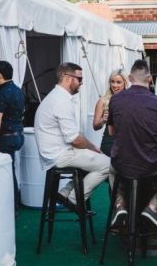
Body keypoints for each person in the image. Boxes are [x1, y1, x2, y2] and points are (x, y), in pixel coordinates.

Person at [108, 60, 157, 229]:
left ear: (129, 78)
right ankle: (152, 207)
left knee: (112, 170)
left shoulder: (115, 100)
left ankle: (120, 205)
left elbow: (112, 133)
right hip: (149, 164)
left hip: (121, 162)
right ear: (150, 79)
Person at [34, 62, 110, 209]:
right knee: (109, 164)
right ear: (68, 78)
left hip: (54, 153)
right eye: (79, 79)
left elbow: (73, 137)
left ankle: (64, 193)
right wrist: (93, 147)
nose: (81, 83)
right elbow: (74, 139)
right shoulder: (61, 101)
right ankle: (75, 199)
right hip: (59, 155)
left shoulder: (56, 97)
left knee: (94, 159)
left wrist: (89, 147)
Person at [0, 61, 25, 207]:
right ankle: (14, 205)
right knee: (9, 169)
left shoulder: (0, 92)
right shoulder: (18, 90)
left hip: (5, 138)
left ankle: (9, 207)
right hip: (18, 135)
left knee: (4, 173)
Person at [93, 69, 128, 156]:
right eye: (112, 82)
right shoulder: (103, 100)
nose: (115, 85)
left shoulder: (130, 99)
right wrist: (103, 120)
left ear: (125, 83)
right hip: (109, 143)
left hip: (127, 142)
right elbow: (95, 126)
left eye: (118, 82)